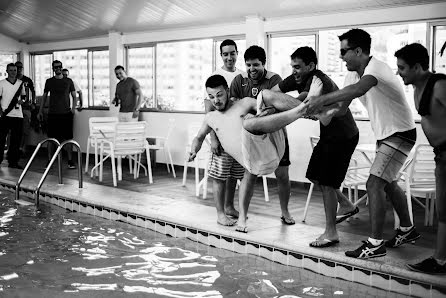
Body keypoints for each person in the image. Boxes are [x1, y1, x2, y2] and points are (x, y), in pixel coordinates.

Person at [305, 28, 420, 259]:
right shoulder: (352, 75)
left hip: (400, 133)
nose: (341, 57)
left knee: (373, 185)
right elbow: (342, 109)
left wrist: (321, 99)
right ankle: (407, 229)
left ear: (358, 51)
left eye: (344, 52)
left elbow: (358, 90)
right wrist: (318, 112)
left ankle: (375, 244)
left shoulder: (375, 68)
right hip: (387, 135)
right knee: (387, 183)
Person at [258, 46, 359, 248]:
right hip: (329, 134)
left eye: (298, 67)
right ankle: (346, 205)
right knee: (314, 176)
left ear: (311, 66)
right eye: (292, 66)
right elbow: (273, 93)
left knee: (327, 183)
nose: (294, 70)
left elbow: (300, 103)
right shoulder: (296, 77)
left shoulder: (318, 80)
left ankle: (331, 233)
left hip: (342, 135)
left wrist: (271, 108)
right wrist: (270, 103)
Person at [190, 75, 306, 231]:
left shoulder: (243, 104)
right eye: (211, 97)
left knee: (261, 101)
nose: (216, 100)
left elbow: (267, 105)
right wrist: (193, 150)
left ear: (227, 91)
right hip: (240, 157)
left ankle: (304, 108)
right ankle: (224, 215)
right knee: (222, 179)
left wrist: (269, 111)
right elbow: (199, 137)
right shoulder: (210, 117)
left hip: (258, 151)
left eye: (219, 95)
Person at [229, 45, 294, 230]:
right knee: (249, 175)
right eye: (248, 65)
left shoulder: (274, 80)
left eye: (256, 65)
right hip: (251, 137)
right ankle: (242, 217)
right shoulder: (238, 81)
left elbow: (280, 107)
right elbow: (235, 110)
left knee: (282, 175)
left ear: (263, 63)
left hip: (276, 133)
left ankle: (285, 211)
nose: (251, 69)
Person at [395, 43, 446, 274]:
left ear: (417, 67)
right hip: (441, 157)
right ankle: (441, 259)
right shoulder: (418, 86)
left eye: (403, 68)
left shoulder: (440, 86)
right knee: (443, 212)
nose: (399, 72)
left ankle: (441, 260)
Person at [203, 39, 246, 226]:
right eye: (225, 54)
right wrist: (213, 138)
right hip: (220, 136)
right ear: (221, 56)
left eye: (232, 53)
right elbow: (208, 112)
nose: (229, 57)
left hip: (237, 136)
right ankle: (220, 214)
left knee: (234, 174)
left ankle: (229, 207)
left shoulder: (243, 76)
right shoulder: (215, 76)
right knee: (220, 175)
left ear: (237, 53)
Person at [38, 60, 77, 169]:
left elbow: (75, 96)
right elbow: (44, 97)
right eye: (55, 67)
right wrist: (40, 111)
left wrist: (73, 108)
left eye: (59, 67)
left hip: (66, 114)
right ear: (53, 69)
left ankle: (70, 160)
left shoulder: (69, 81)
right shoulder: (49, 81)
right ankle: (50, 160)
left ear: (61, 67)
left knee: (68, 138)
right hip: (53, 114)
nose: (58, 69)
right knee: (51, 138)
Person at [0, 63, 26, 169]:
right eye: (11, 70)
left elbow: (24, 97)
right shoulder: (1, 83)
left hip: (18, 115)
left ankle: (13, 162)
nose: (13, 72)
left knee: (16, 140)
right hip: (5, 114)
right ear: (7, 71)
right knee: (1, 139)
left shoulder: (21, 83)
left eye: (15, 70)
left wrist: (22, 101)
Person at [15, 61, 36, 156]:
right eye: (17, 67)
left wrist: (34, 103)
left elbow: (33, 91)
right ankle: (13, 150)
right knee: (14, 130)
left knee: (25, 129)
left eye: (20, 67)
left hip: (26, 107)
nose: (19, 69)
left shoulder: (27, 80)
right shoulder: (12, 80)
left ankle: (22, 149)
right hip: (14, 109)